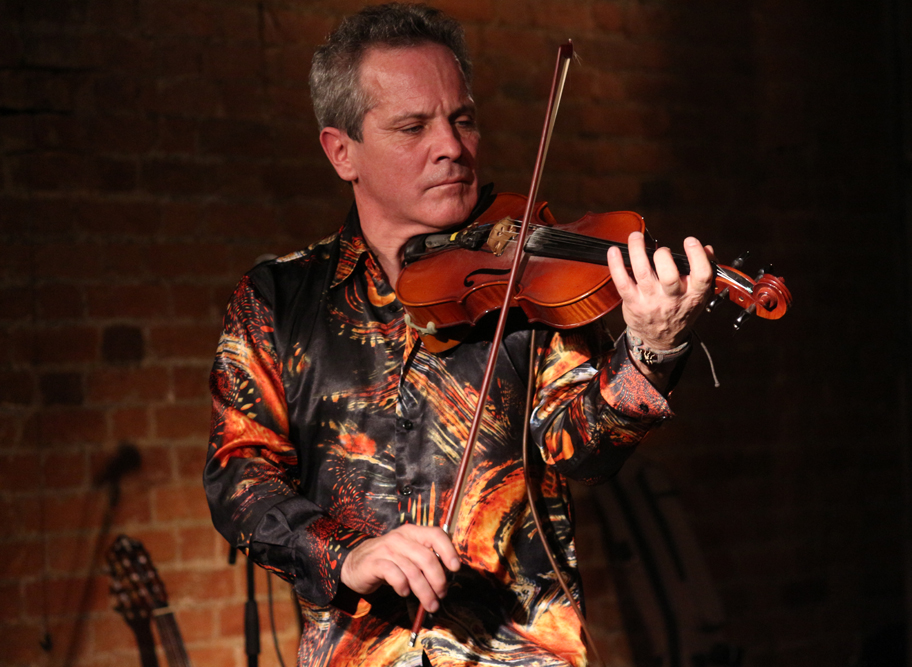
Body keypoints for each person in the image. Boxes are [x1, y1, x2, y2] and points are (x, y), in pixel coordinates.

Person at [204, 4, 713, 666]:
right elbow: (240, 476)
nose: (451, 146)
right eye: (413, 126)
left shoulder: (527, 281)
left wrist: (649, 350)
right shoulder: (276, 300)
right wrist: (348, 554)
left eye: (463, 119)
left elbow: (582, 449)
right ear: (341, 151)